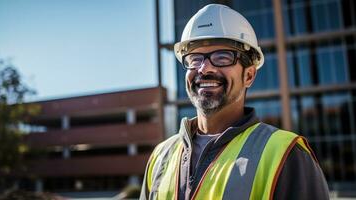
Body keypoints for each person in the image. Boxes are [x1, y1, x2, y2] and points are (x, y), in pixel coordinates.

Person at [140, 4, 329, 200]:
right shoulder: (160, 156)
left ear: (249, 75)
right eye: (195, 59)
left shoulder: (286, 154)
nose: (204, 69)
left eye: (223, 57)